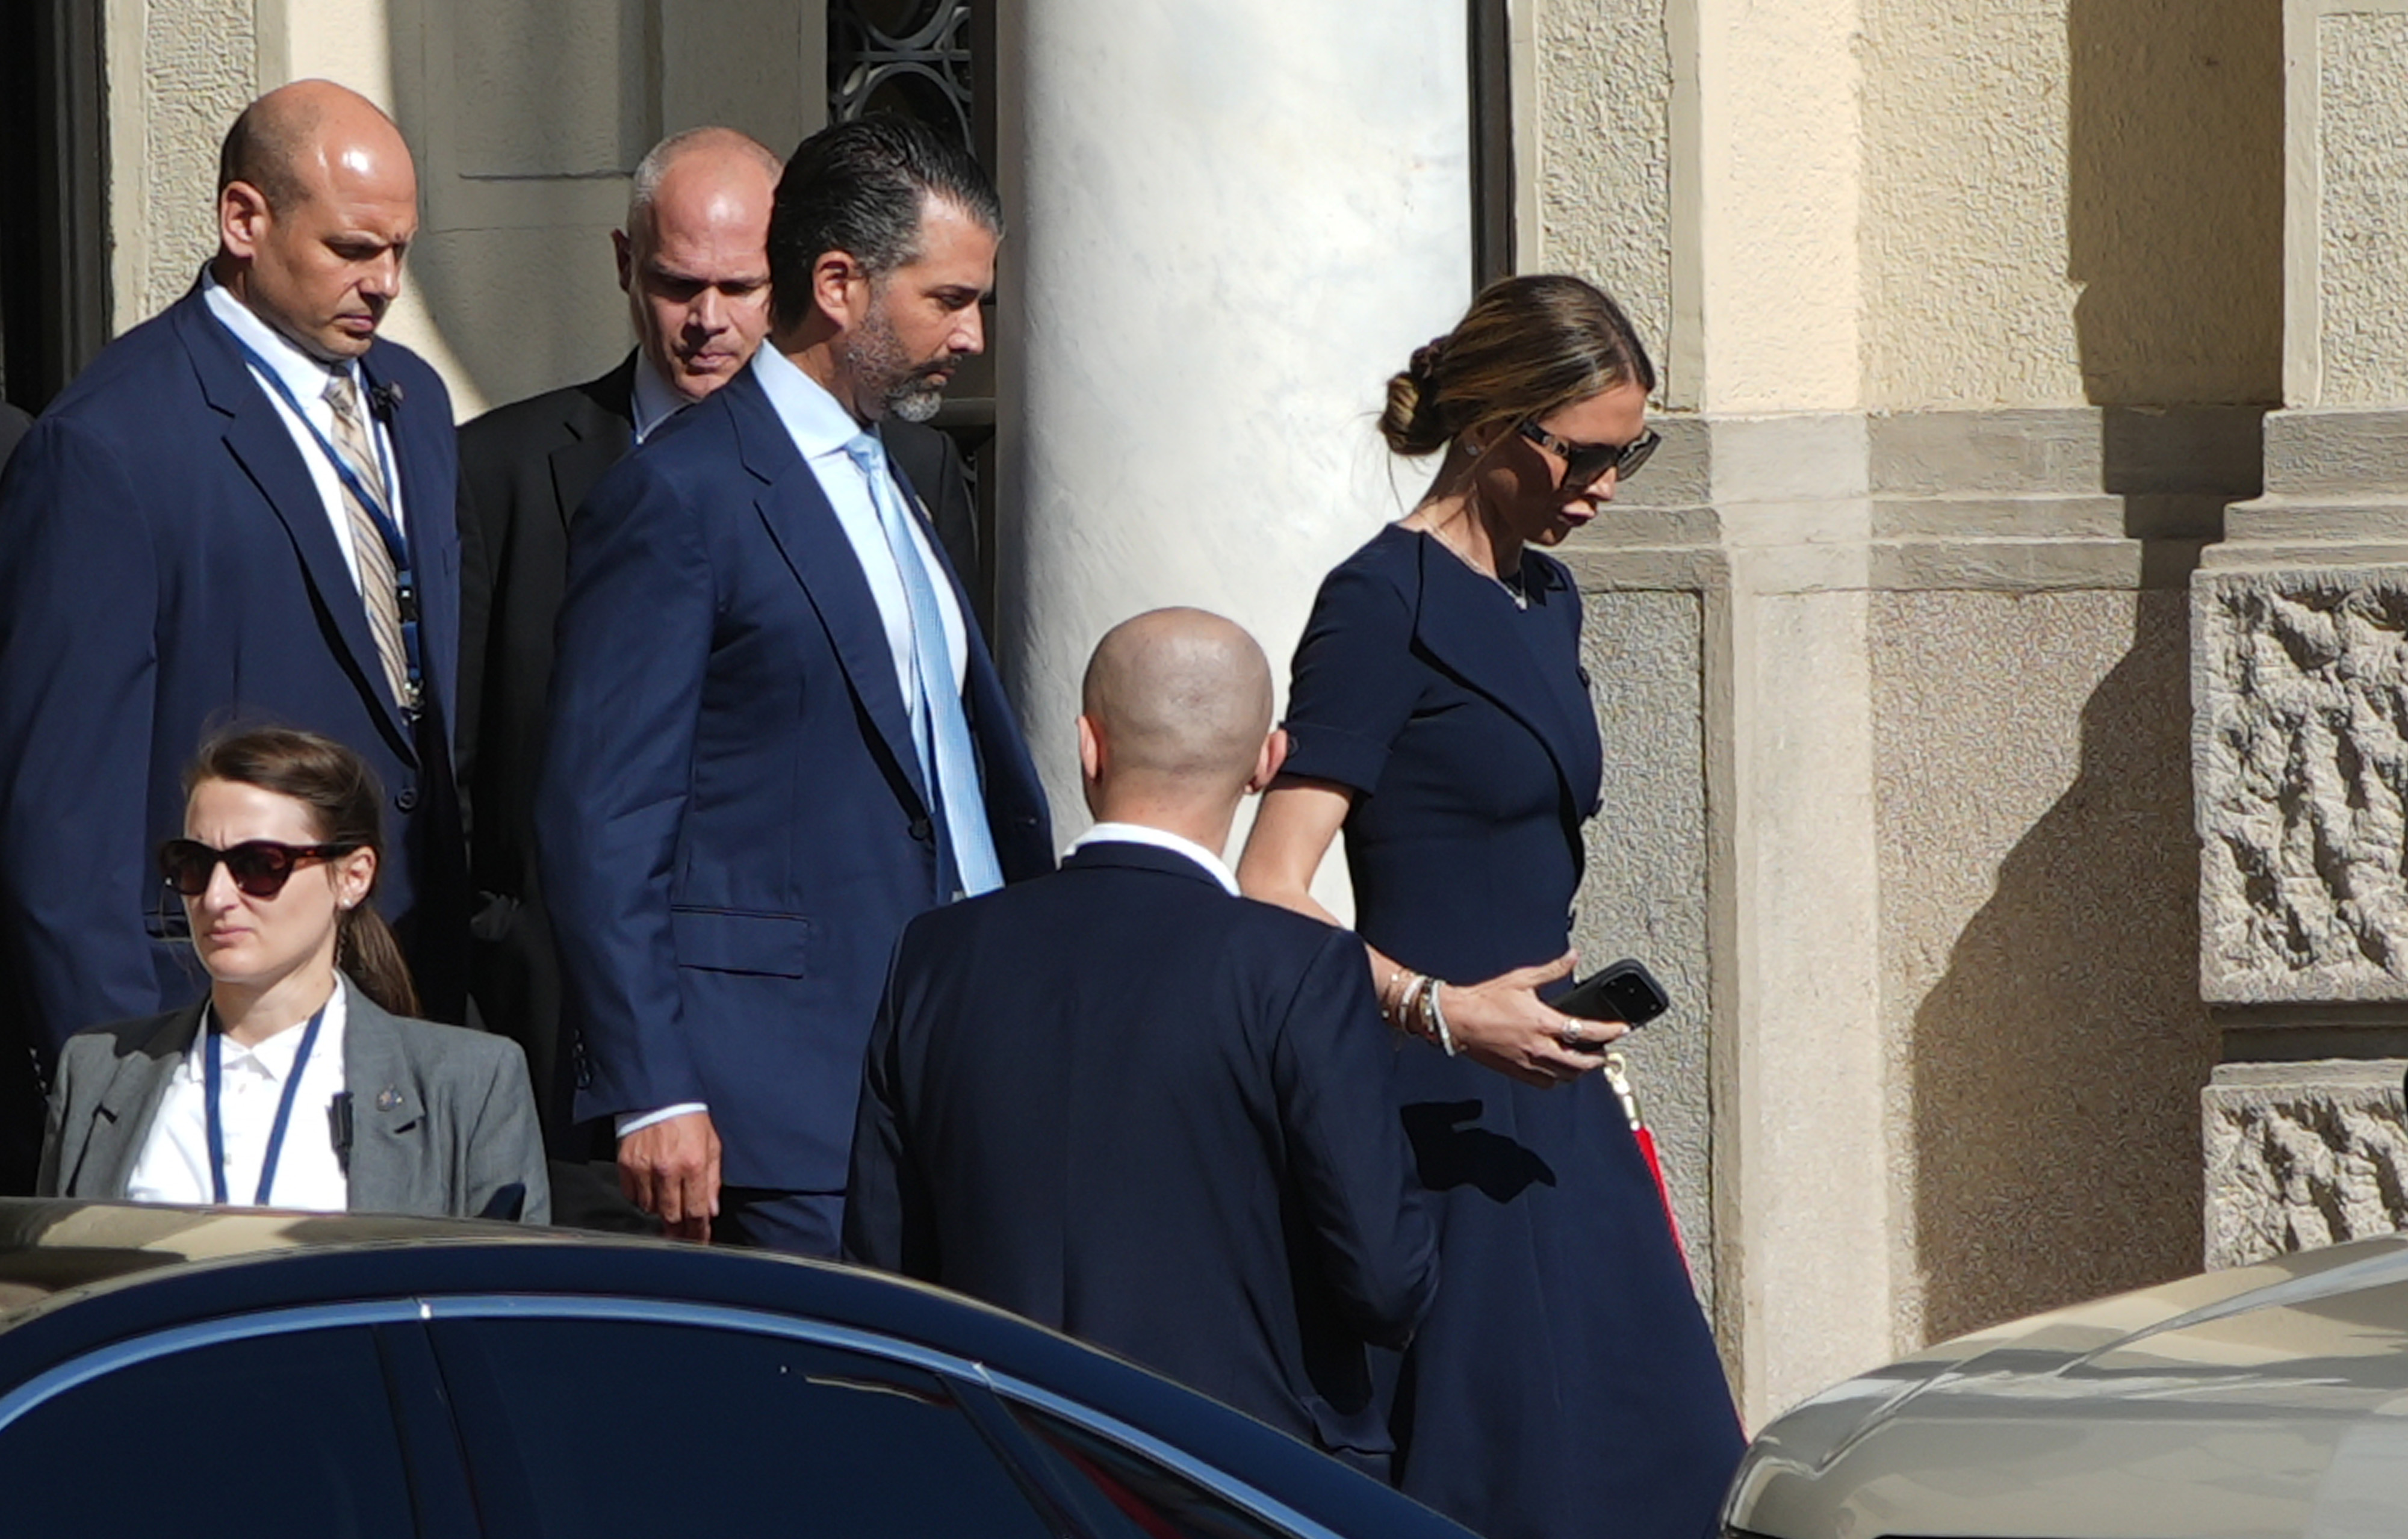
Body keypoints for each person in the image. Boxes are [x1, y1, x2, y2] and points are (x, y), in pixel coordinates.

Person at [1237, 275, 1742, 1539]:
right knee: (1511, 1474)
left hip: (1554, 1090)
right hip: (1436, 1114)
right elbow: (1266, 887)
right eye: (1582, 454)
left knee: (1655, 1454)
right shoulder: (1378, 602)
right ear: (1492, 425)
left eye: (1629, 453)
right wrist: (1443, 1014)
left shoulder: (1546, 598)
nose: (1605, 488)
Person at [538, 116, 1052, 1257]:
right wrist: (652, 1086)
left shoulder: (904, 477)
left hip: (940, 1074)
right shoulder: (681, 495)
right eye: (950, 300)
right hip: (774, 1110)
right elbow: (601, 817)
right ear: (838, 284)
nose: (973, 337)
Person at [0, 81, 471, 1195]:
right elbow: (62, 835)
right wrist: (133, 1099)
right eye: (354, 248)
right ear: (245, 221)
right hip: (211, 1025)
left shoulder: (411, 399)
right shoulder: (110, 444)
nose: (386, 285)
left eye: (402, 249)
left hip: (399, 1004)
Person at [846, 608, 1439, 1472]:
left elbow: (881, 1270)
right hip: (1243, 1484)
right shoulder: (1301, 970)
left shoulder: (933, 957)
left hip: (989, 1470)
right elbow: (1386, 1282)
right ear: (1267, 766)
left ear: (1089, 747)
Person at [40, 727, 548, 1222]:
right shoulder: (99, 1069)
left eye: (260, 864)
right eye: (193, 863)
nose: (217, 897)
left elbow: (507, 1298)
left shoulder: (469, 1081)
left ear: (353, 876)